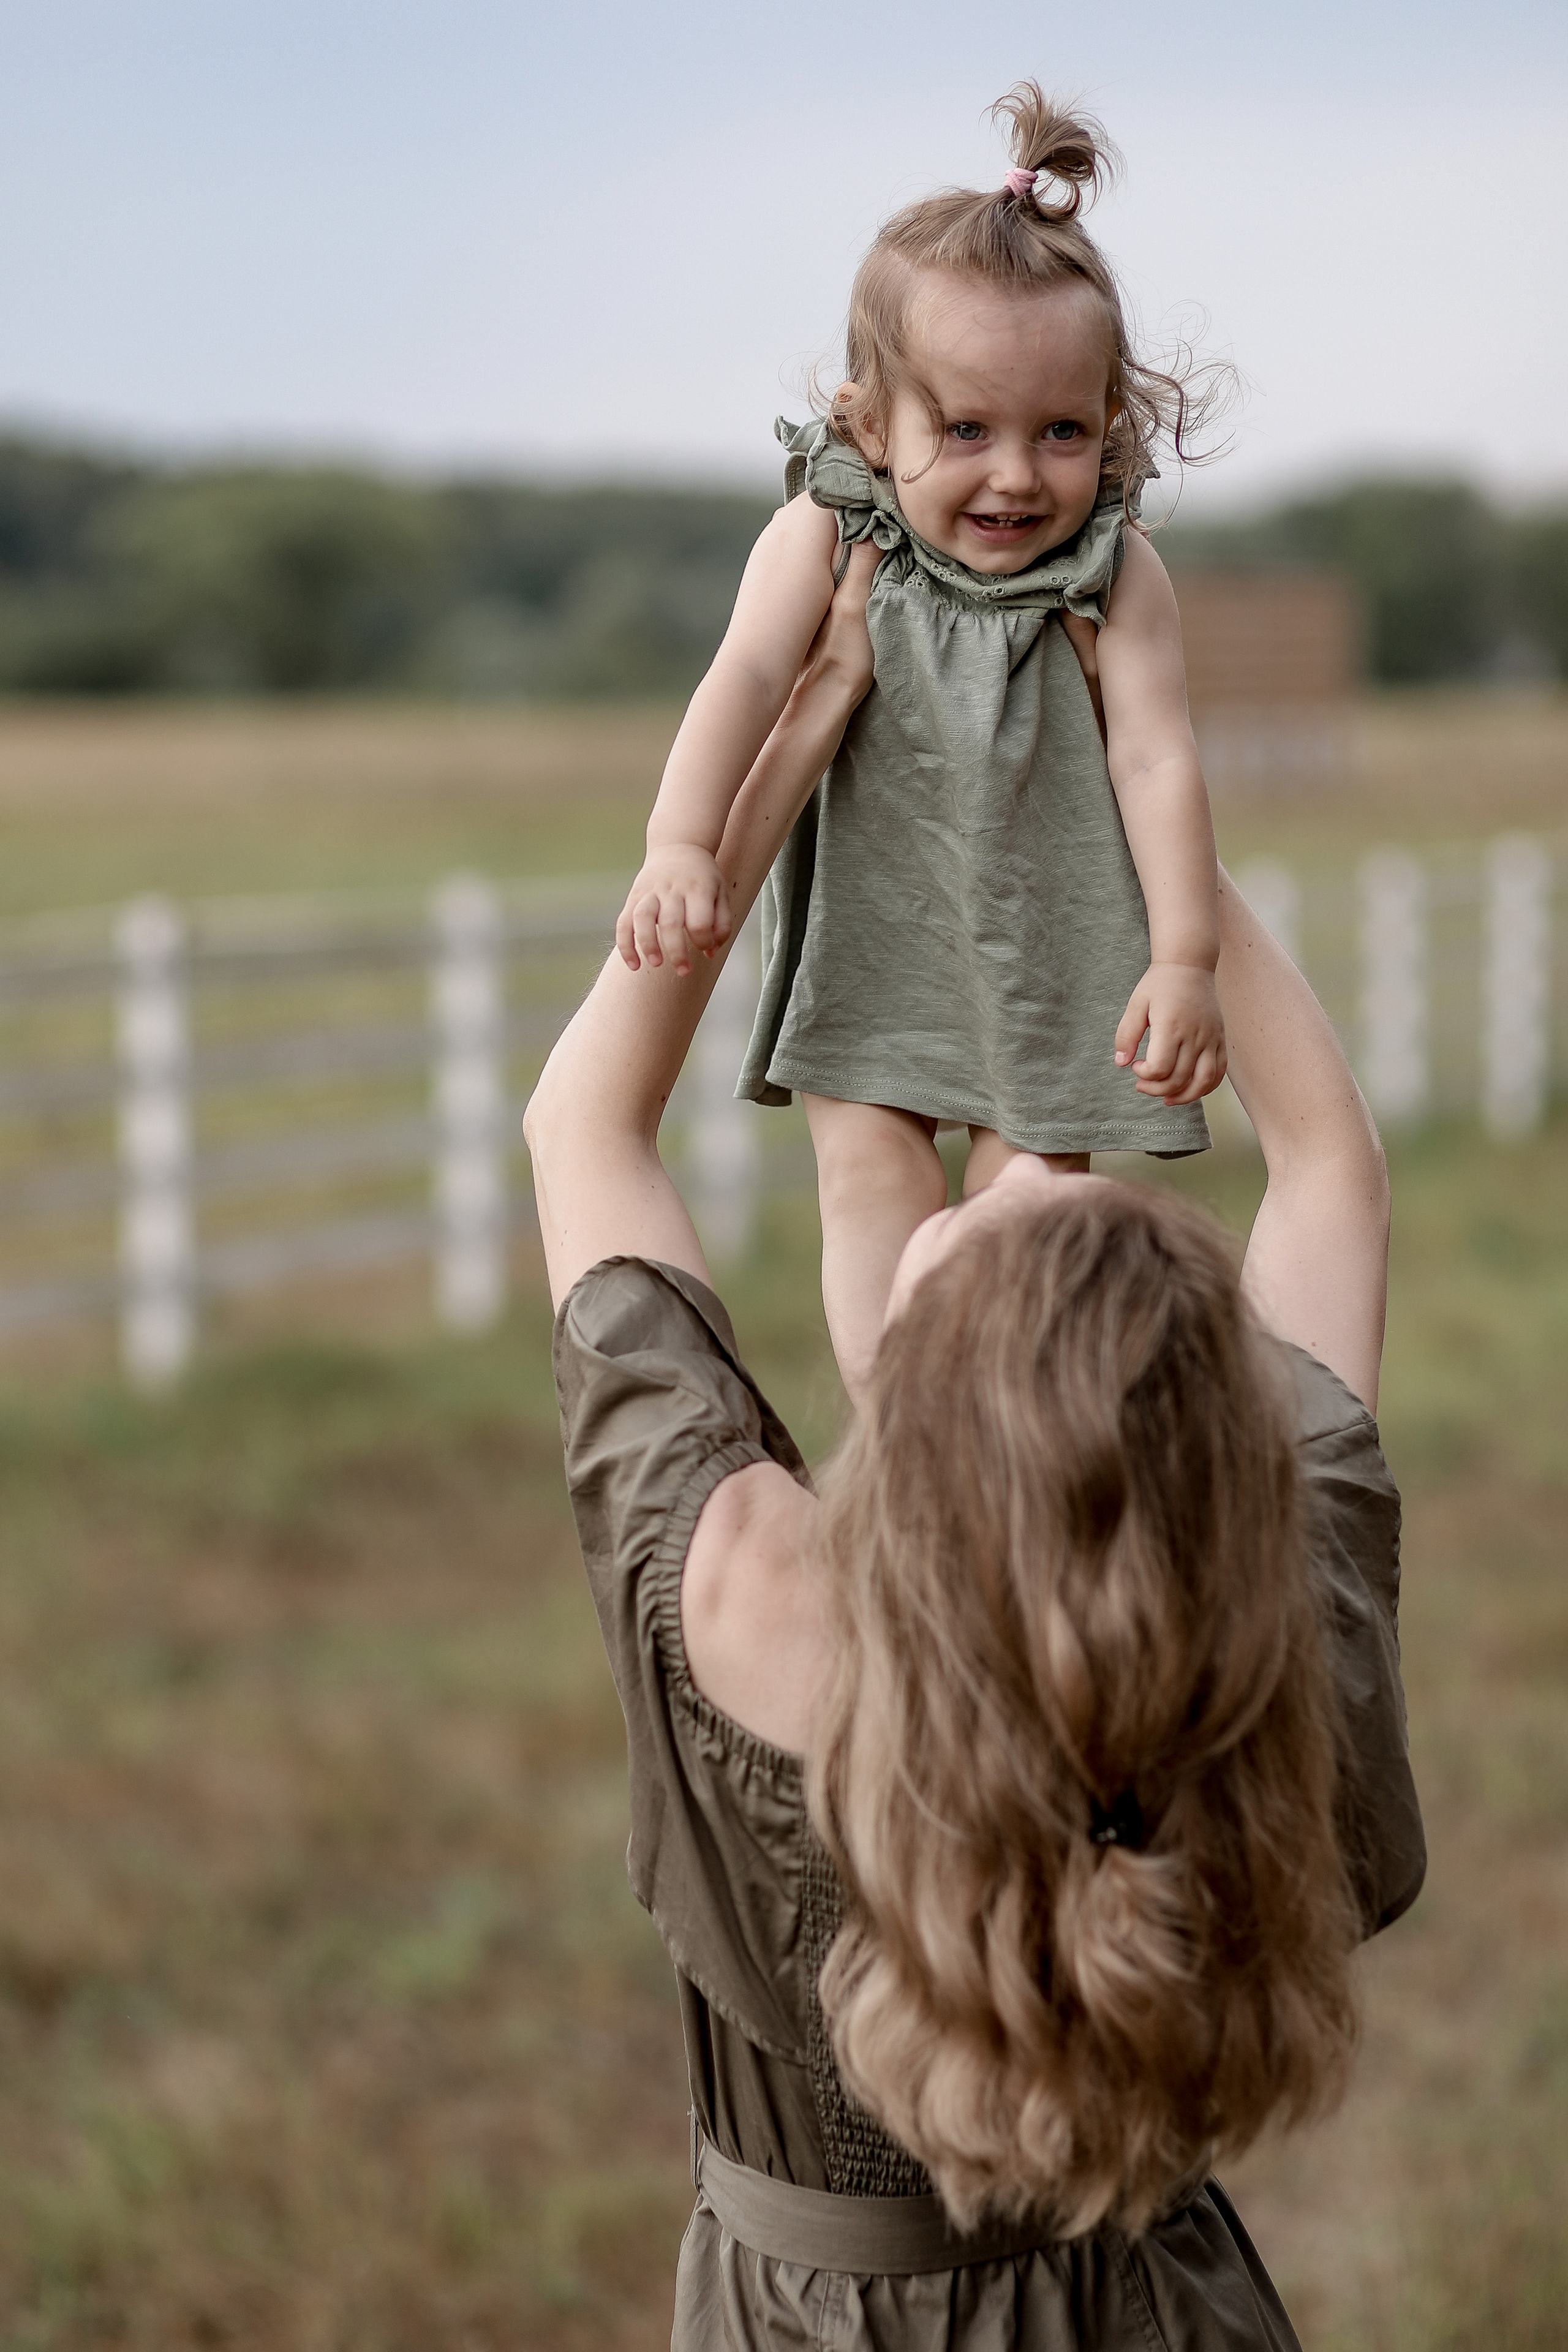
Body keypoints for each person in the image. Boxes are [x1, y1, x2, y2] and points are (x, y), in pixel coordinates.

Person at [525, 561, 1425, 2351]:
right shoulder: (1268, 1624)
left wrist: (791, 756)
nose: (1030, 1175)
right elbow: (1324, 1170)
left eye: (1016, 1215)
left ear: (921, 1401)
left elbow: (582, 1128)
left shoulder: (745, 1587)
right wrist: (1128, 827)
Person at [613, 84, 1232, 1399]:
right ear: (867, 423)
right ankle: (896, 1421)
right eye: (965, 429)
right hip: (880, 925)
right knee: (869, 1179)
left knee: (1034, 1211)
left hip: (1053, 944)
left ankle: (1000, 1433)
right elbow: (740, 681)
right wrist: (678, 841)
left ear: (1107, 426)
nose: (1015, 475)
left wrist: (1181, 957)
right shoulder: (828, 538)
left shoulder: (1113, 576)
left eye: (1059, 431)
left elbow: (1155, 760)